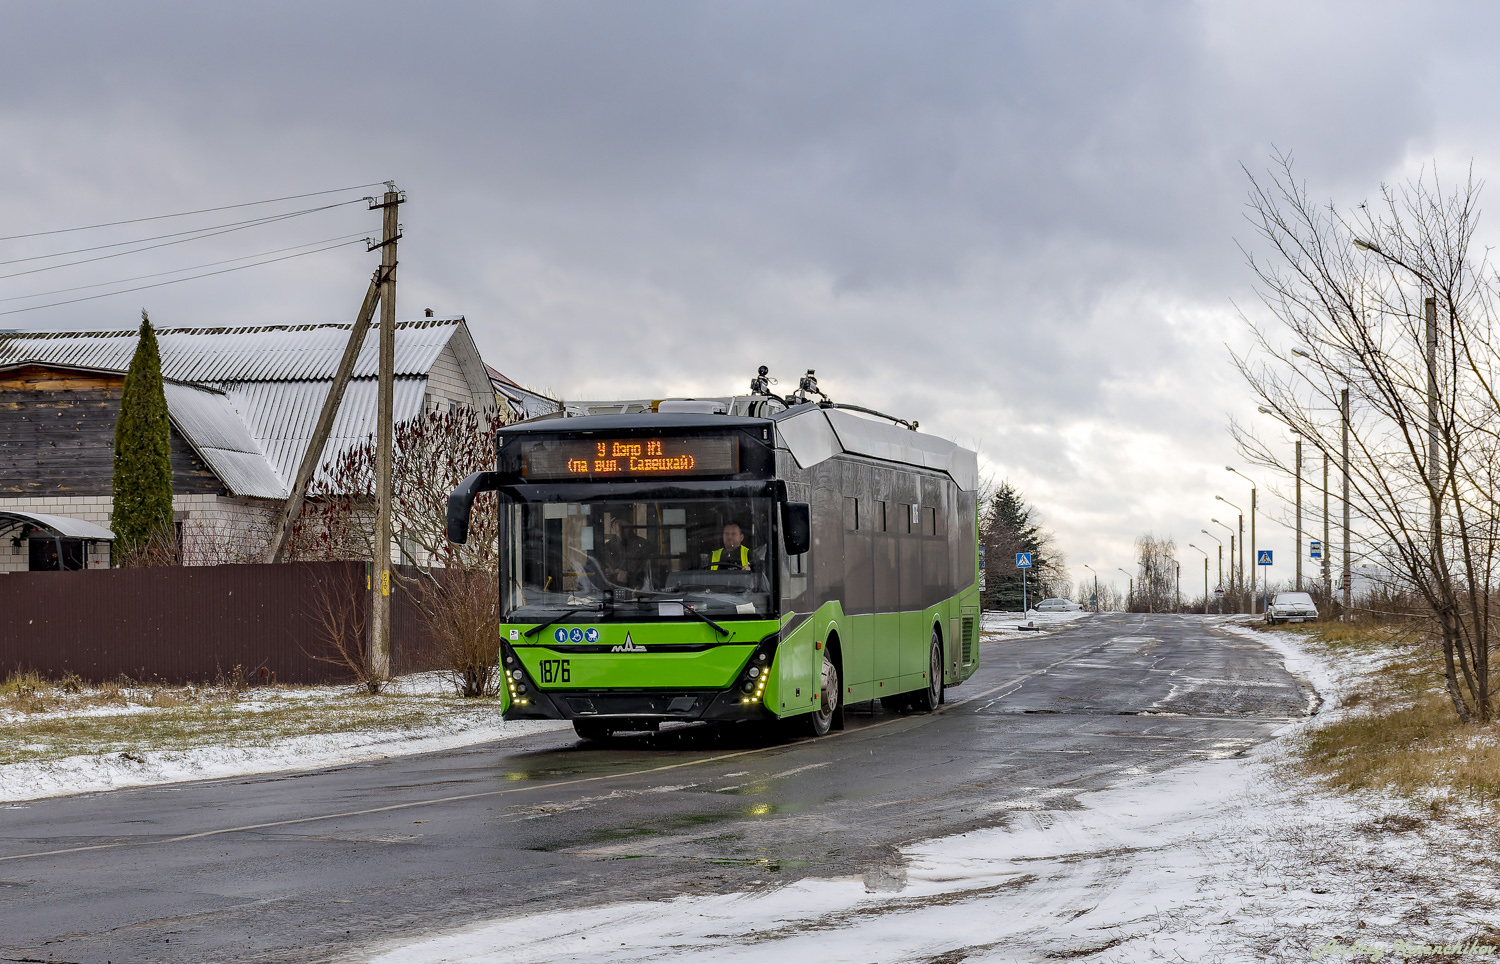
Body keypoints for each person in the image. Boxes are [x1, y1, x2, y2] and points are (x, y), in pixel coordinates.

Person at [600, 516, 650, 587]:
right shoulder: (606, 547)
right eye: (616, 525)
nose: (620, 529)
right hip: (610, 590)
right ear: (613, 528)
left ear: (630, 526)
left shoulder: (644, 545)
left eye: (623, 525)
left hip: (638, 589)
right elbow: (600, 570)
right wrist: (614, 574)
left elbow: (650, 570)